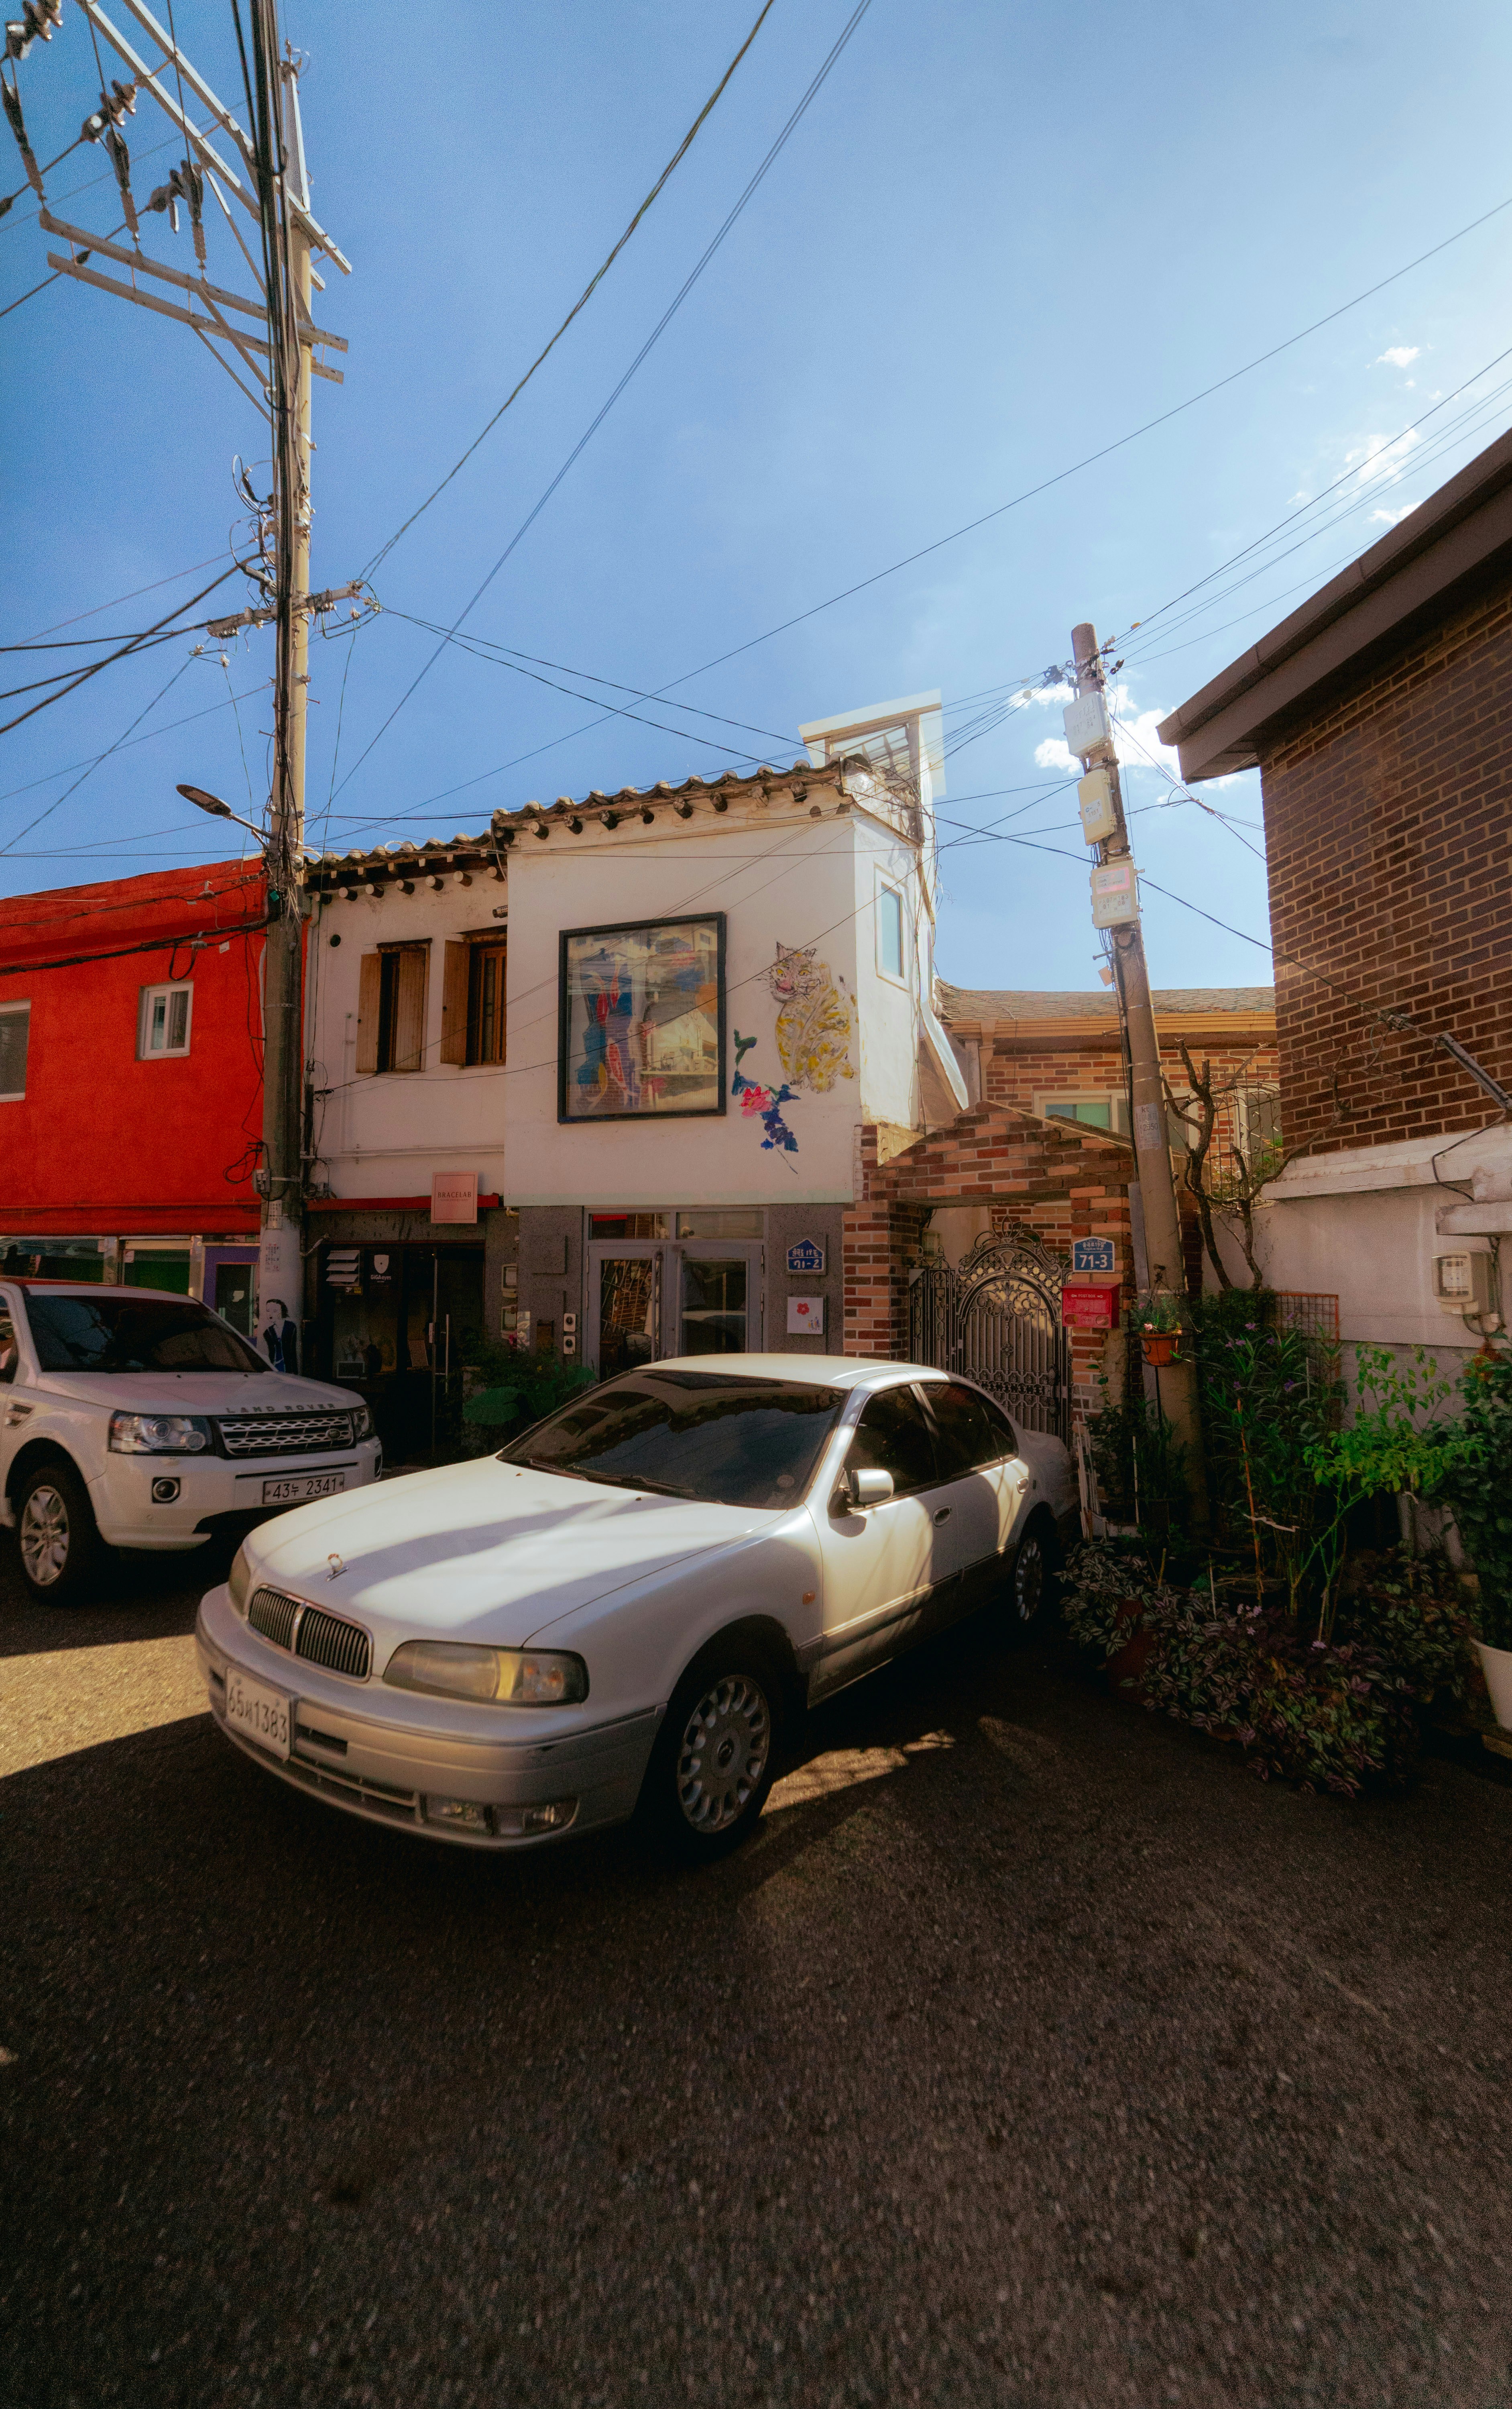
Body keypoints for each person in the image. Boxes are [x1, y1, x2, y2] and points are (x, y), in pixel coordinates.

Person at [262, 1299, 300, 1374]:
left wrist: (295, 1372)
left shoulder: (290, 1327)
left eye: (275, 1311)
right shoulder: (268, 1332)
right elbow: (271, 1352)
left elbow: (293, 1351)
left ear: (281, 1312)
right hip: (274, 1366)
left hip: (287, 1366)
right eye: (268, 1311)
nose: (270, 1314)